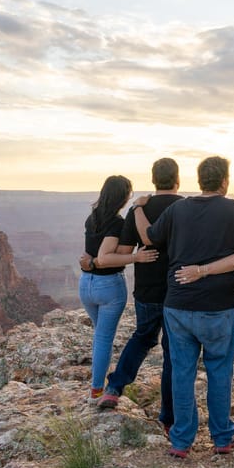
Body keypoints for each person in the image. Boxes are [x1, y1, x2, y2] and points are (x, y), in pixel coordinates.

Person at [134, 156, 234, 458]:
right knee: (219, 373)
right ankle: (222, 438)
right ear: (225, 180)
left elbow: (147, 237)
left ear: (199, 180)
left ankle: (181, 441)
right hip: (218, 308)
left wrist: (137, 208)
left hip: (178, 306)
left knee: (182, 374)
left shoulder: (176, 209)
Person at [92, 158, 182, 438]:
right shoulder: (186, 208)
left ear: (154, 180)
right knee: (172, 354)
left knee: (142, 336)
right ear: (177, 180)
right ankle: (168, 420)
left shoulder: (137, 211)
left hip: (146, 289)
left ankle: (114, 388)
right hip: (178, 290)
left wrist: (93, 261)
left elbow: (125, 249)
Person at [78, 175, 158, 401]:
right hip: (108, 286)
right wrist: (137, 257)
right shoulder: (116, 223)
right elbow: (104, 258)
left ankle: (98, 382)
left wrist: (90, 262)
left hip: (86, 285)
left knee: (99, 336)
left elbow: (92, 256)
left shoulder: (91, 218)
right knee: (104, 338)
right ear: (124, 196)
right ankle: (97, 390)